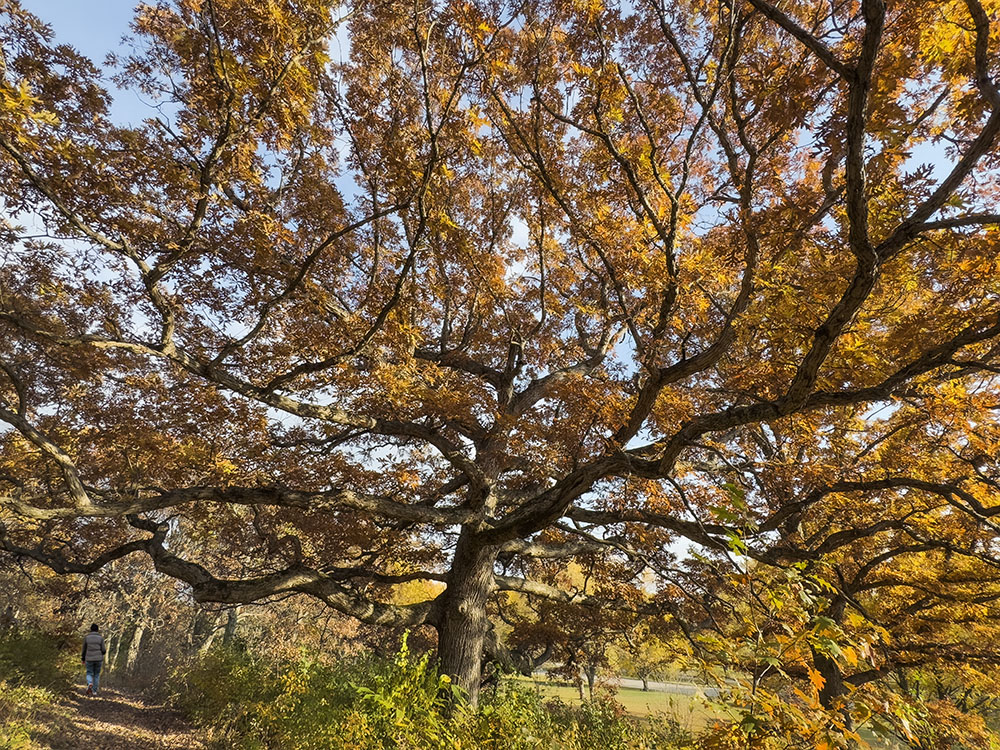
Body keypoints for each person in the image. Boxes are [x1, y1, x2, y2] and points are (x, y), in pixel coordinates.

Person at [81, 624, 106, 696]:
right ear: (97, 630)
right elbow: (104, 650)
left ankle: (89, 683)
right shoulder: (100, 638)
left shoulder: (87, 638)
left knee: (89, 672)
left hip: (89, 658)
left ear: (90, 629)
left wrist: (83, 658)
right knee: (96, 674)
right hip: (98, 659)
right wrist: (101, 653)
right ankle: (94, 691)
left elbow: (84, 649)